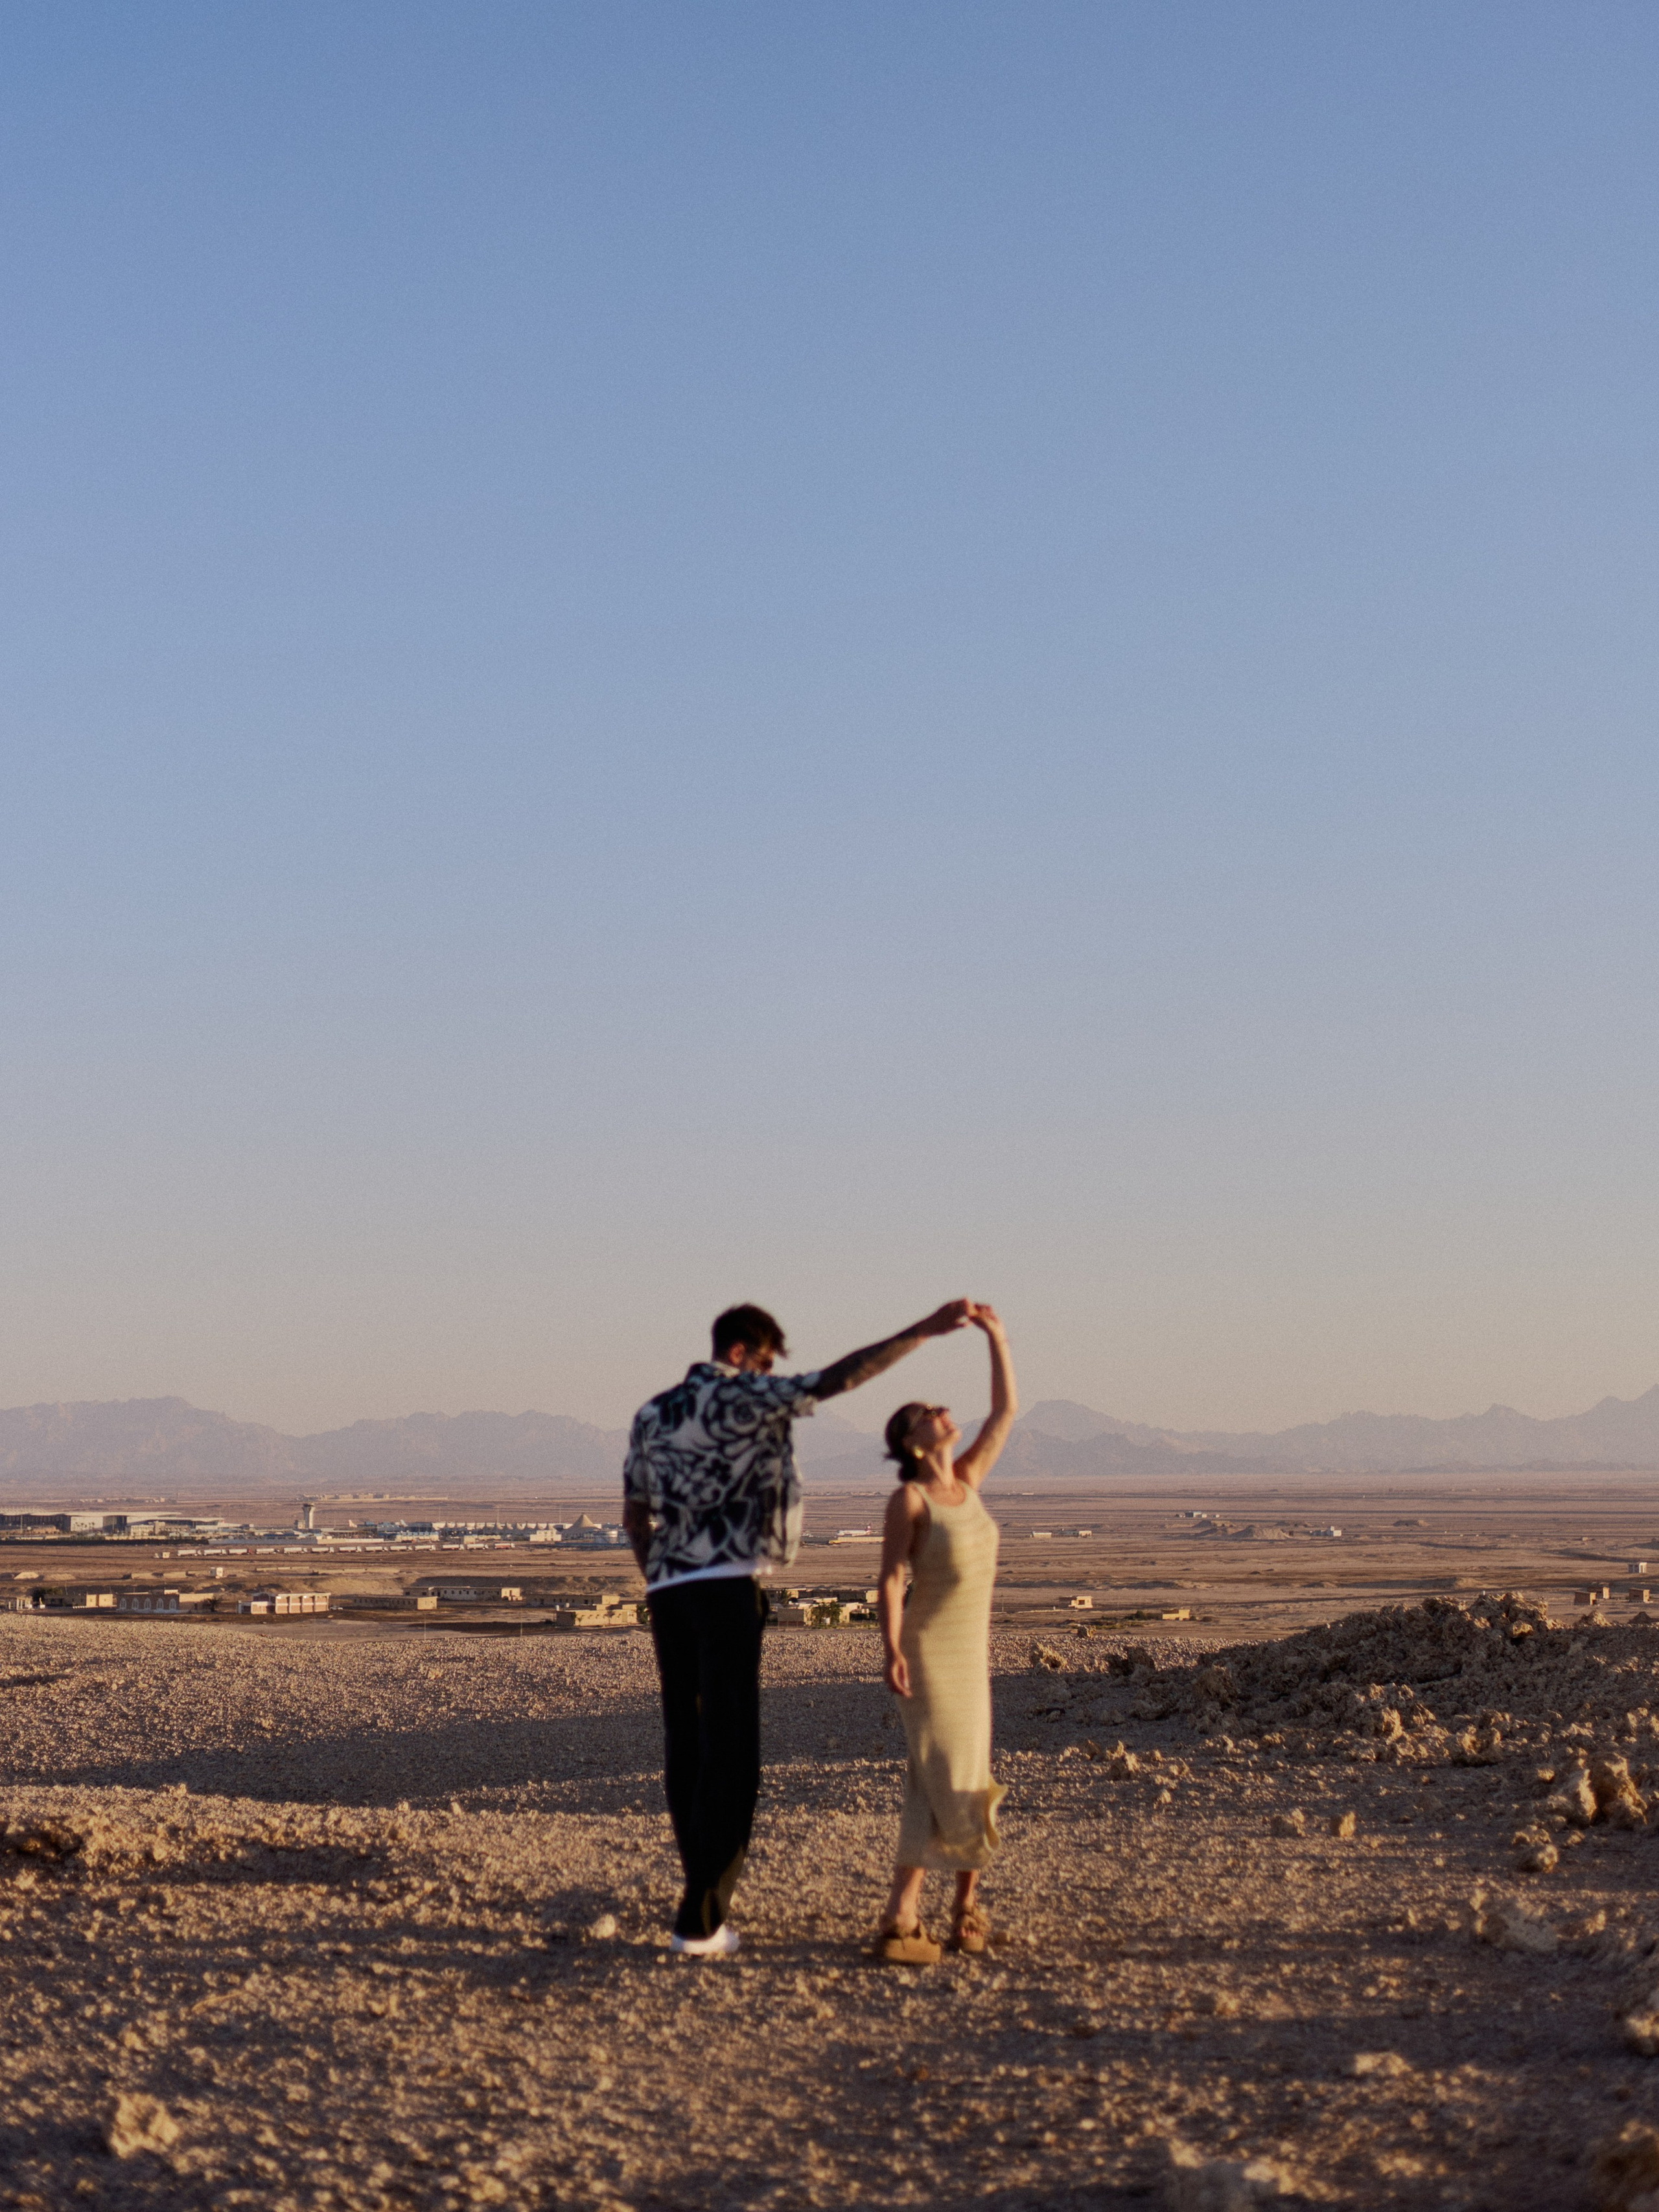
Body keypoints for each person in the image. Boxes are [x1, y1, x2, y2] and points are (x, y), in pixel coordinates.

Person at [623, 1297, 974, 1957]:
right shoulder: (746, 1396)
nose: (767, 1374)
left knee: (687, 1745)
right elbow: (838, 1377)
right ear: (739, 1354)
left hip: (670, 1590)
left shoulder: (652, 1412)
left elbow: (634, 1513)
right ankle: (699, 1922)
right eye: (762, 1362)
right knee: (730, 1752)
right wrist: (921, 1331)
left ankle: (699, 1904)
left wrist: (657, 1577)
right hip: (727, 1584)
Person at [873, 1301, 1016, 1964]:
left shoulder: (969, 1480)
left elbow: (1004, 1412)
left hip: (970, 1657)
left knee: (950, 1776)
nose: (944, 1411)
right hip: (929, 1656)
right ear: (913, 1439)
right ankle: (944, 1910)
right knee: (946, 1773)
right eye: (931, 1408)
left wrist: (995, 1336)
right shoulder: (911, 1500)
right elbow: (890, 1581)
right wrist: (892, 1649)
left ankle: (933, 1910)